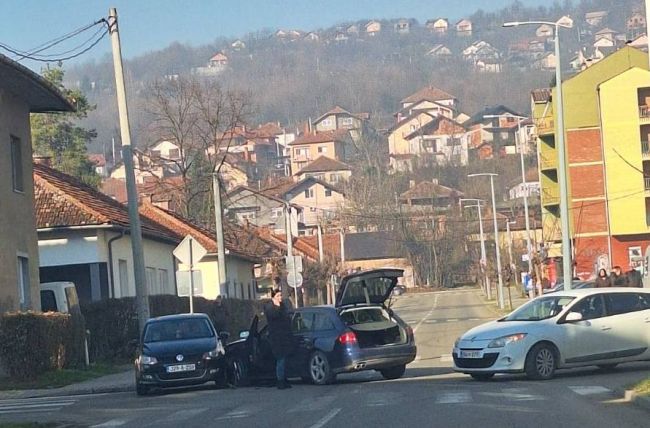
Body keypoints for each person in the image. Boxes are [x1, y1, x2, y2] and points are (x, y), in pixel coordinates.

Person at [263, 288, 293, 389]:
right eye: (278, 296)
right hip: (275, 337)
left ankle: (284, 379)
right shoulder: (269, 307)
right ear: (273, 297)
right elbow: (274, 316)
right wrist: (278, 307)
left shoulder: (283, 306)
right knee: (280, 358)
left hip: (284, 336)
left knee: (284, 358)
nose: (280, 298)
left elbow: (287, 318)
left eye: (280, 295)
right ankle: (280, 380)